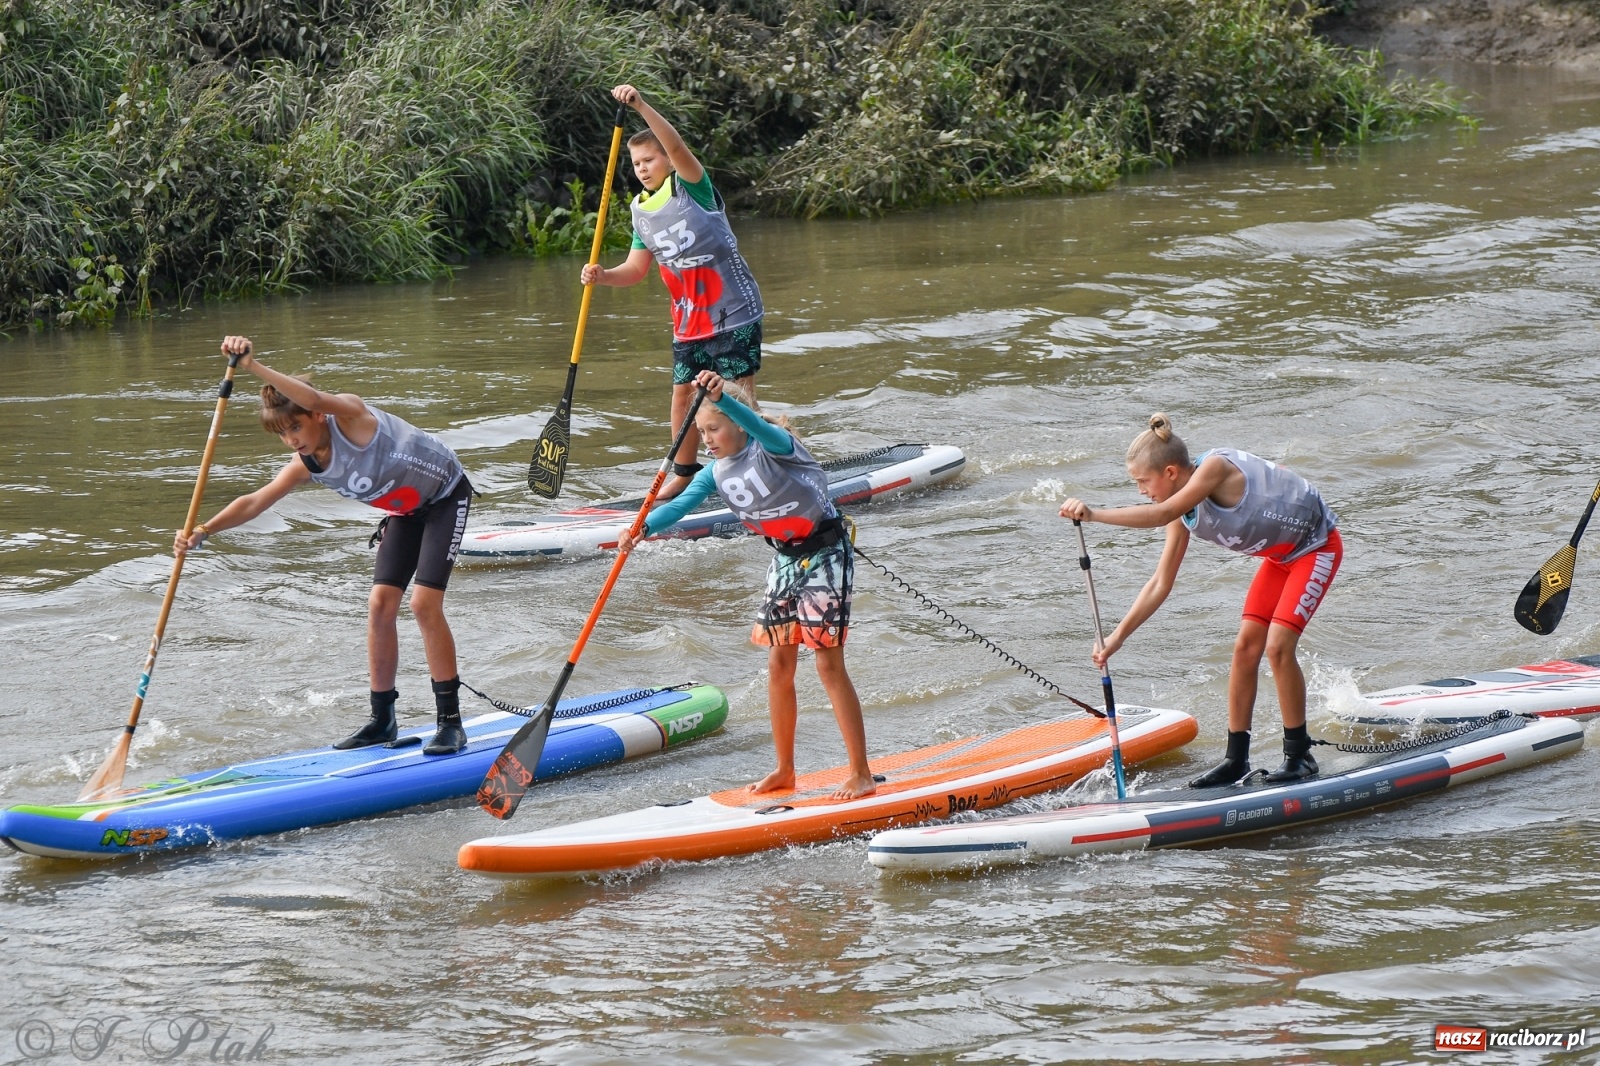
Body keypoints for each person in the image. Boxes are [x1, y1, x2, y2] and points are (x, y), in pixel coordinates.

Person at [173, 336, 474, 755]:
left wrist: (253, 366)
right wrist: (204, 531)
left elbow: (313, 395)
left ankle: (450, 723)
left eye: (296, 426)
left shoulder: (351, 416)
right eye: (282, 433)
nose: (292, 440)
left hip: (446, 496)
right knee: (379, 606)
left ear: (316, 415)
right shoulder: (306, 464)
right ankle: (382, 720)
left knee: (423, 604)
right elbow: (256, 501)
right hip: (406, 513)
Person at [618, 370, 874, 800]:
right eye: (701, 432)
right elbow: (679, 506)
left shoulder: (775, 446)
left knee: (828, 665)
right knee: (778, 666)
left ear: (737, 422)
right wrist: (641, 527)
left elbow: (757, 425)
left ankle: (860, 772)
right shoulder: (716, 473)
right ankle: (784, 769)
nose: (707, 439)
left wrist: (728, 400)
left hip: (827, 554)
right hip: (786, 560)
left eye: (714, 428)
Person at [1059, 414, 1342, 786]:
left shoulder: (1215, 469)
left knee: (1277, 647)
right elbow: (1161, 582)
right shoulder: (1183, 510)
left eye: (1143, 481)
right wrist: (1117, 638)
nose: (1141, 490)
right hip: (1280, 558)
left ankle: (1299, 755)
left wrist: (1094, 515)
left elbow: (1159, 514)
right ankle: (1235, 759)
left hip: (1315, 548)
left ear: (1172, 472)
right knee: (1244, 648)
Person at [580, 83, 765, 499]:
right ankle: (684, 471)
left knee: (734, 396)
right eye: (636, 163)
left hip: (733, 311)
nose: (642, 168)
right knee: (683, 397)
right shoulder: (640, 212)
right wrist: (602, 275)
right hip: (688, 320)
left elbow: (678, 146)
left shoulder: (693, 187)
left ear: (666, 160)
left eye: (650, 159)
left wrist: (641, 106)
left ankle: (752, 464)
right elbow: (635, 269)